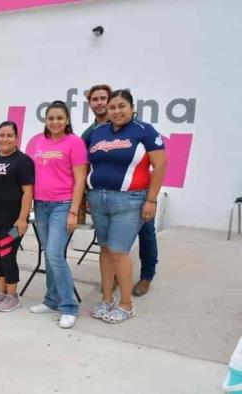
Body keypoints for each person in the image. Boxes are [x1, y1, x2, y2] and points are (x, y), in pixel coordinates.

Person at [86, 90, 166, 324]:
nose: (117, 111)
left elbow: (160, 165)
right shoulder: (98, 132)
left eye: (122, 106)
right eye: (112, 107)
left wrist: (151, 199)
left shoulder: (144, 131)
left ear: (132, 107)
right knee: (104, 249)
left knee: (119, 252)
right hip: (98, 199)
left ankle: (126, 304)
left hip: (130, 200)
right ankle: (107, 299)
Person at [26, 101, 88, 329]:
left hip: (63, 205)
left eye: (59, 118)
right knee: (49, 255)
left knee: (54, 253)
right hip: (41, 205)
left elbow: (80, 178)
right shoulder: (40, 142)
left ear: (67, 120)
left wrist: (73, 210)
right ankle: (51, 300)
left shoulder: (75, 143)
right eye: (51, 118)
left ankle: (68, 306)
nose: (55, 122)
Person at [0, 121, 34, 312]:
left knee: (7, 254)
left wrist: (22, 218)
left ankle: (12, 295)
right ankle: (1, 292)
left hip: (13, 222)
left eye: (9, 135)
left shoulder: (23, 161)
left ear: (16, 138)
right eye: (1, 135)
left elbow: (28, 193)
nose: (5, 139)